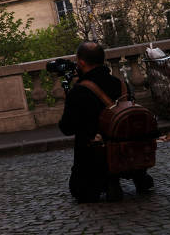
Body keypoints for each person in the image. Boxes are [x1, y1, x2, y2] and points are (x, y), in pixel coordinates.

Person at [58, 41, 154, 202]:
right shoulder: (121, 85)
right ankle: (138, 174)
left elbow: (67, 128)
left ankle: (106, 179)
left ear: (81, 62)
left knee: (79, 191)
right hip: (127, 150)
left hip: (95, 156)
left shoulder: (80, 90)